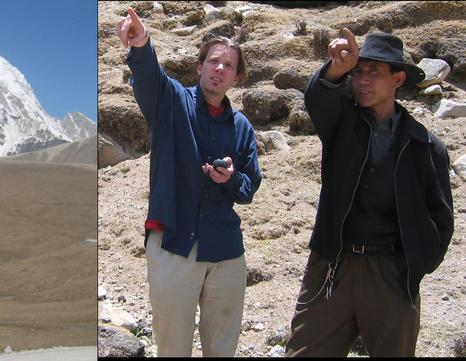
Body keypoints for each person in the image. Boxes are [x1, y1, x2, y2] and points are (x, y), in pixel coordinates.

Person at [285, 29, 454, 357]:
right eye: (358, 71)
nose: (362, 80)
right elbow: (317, 97)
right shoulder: (341, 124)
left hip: (392, 272)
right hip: (333, 265)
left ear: (398, 79)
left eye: (374, 72)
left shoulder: (426, 147)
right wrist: (336, 66)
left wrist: (413, 265)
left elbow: (441, 220)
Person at [117, 7, 262, 357]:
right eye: (213, 61)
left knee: (222, 348)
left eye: (228, 66)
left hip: (226, 251)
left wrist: (229, 179)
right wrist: (142, 45)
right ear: (199, 67)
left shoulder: (241, 127)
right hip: (173, 244)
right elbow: (150, 77)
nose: (219, 69)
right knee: (173, 348)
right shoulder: (171, 102)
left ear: (236, 78)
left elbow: (248, 187)